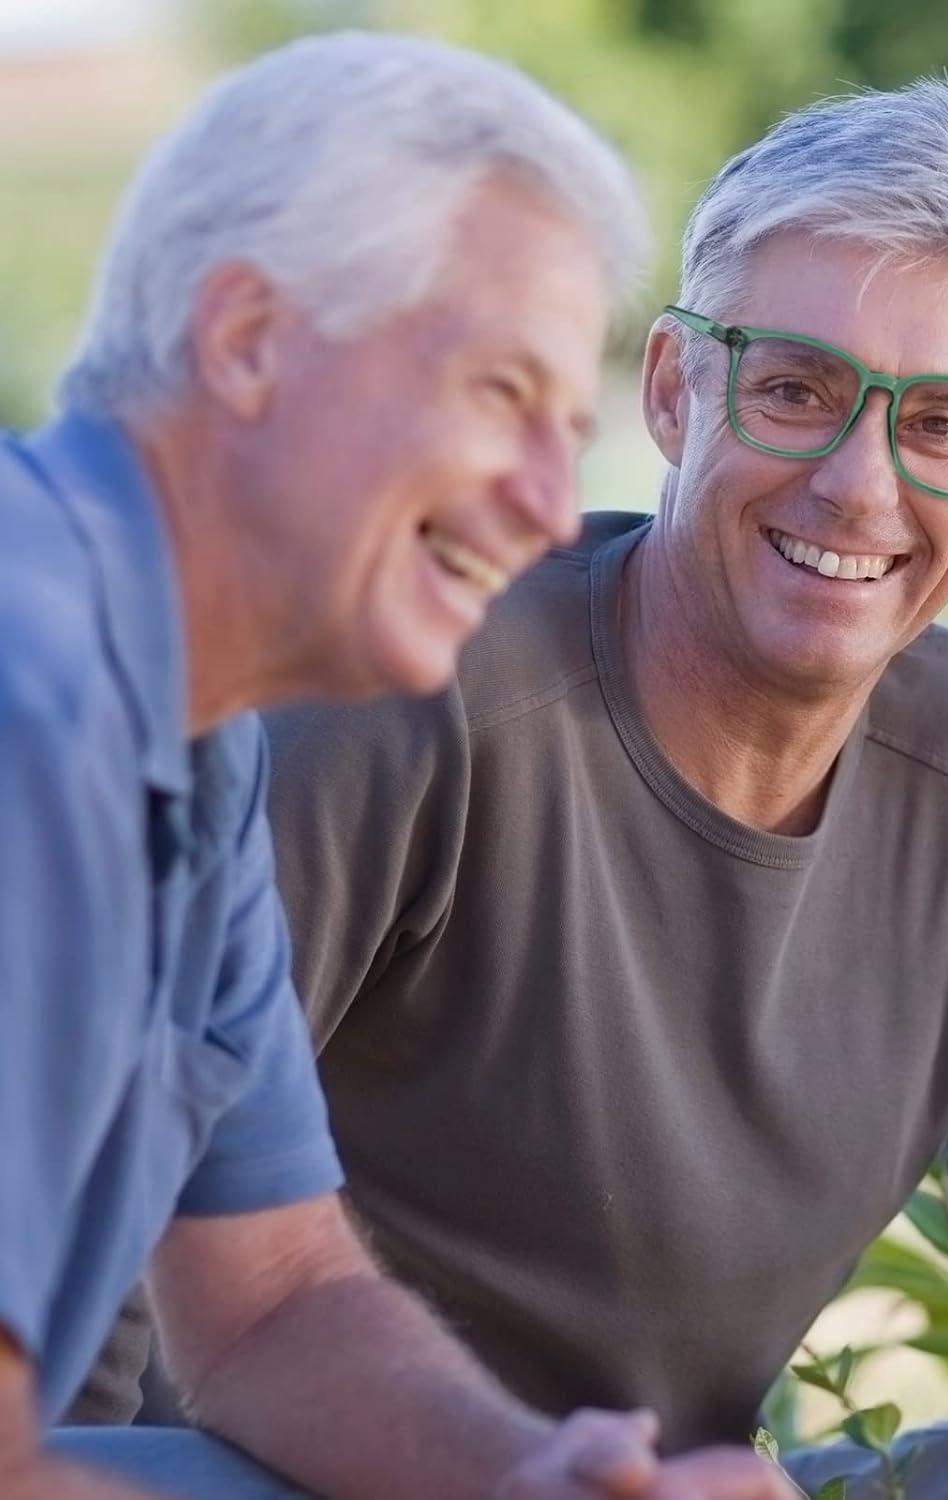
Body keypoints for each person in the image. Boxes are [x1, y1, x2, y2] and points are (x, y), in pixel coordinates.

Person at [100, 81, 948, 1498]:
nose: (860, 486)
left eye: (944, 423)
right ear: (670, 389)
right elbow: (110, 1188)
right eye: (796, 389)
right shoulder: (412, 696)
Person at [1, 29, 791, 1500]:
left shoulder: (193, 743)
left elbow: (275, 1301)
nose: (553, 507)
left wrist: (530, 1479)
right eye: (500, 393)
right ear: (247, 340)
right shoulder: (32, 701)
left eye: (571, 430)